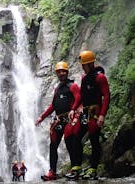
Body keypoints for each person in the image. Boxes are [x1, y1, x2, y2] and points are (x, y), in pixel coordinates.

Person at [35, 61, 81, 181]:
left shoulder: (73, 86)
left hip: (69, 118)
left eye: (63, 71)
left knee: (69, 141)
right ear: (56, 73)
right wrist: (42, 117)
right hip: (59, 119)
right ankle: (52, 171)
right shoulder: (57, 89)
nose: (61, 73)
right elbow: (53, 106)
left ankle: (75, 168)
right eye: (59, 72)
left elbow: (79, 98)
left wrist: (73, 110)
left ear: (67, 72)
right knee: (53, 145)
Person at [77, 50, 110, 179]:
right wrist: (75, 108)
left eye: (84, 65)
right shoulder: (84, 78)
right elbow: (81, 95)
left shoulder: (100, 77)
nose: (82, 67)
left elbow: (106, 96)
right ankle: (77, 167)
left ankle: (93, 168)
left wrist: (102, 115)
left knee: (94, 139)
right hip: (85, 112)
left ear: (90, 64)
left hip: (95, 112)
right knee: (77, 138)